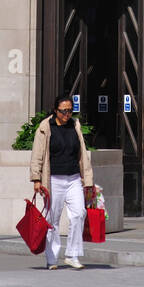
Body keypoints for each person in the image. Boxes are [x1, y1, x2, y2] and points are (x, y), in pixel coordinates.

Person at [30, 95, 95, 269]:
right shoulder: (45, 127)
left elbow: (82, 154)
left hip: (73, 178)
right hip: (54, 180)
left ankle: (72, 255)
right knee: (53, 220)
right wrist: (36, 179)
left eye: (70, 110)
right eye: (63, 111)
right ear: (55, 110)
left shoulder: (75, 125)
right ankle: (51, 259)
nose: (67, 114)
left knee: (79, 213)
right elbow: (37, 154)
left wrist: (87, 180)